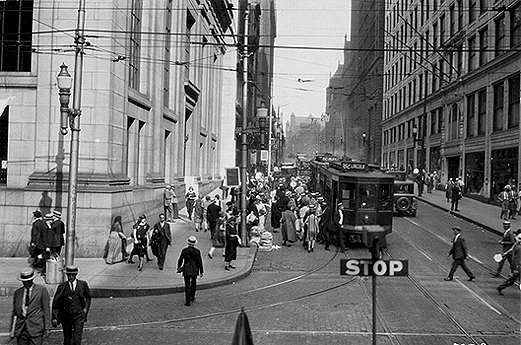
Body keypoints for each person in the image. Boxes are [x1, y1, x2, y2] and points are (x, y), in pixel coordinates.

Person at [10, 267, 51, 344]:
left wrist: (47, 328)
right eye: (24, 282)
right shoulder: (17, 293)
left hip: (36, 329)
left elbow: (46, 310)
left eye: (28, 281)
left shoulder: (41, 290)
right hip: (21, 329)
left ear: (32, 280)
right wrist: (12, 329)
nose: (26, 283)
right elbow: (15, 313)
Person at [51, 265, 91, 345]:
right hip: (66, 316)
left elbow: (88, 297)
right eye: (69, 275)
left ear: (76, 275)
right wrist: (55, 317)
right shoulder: (62, 287)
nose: (71, 277)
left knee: (77, 339)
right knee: (67, 339)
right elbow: (56, 303)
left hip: (79, 315)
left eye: (73, 275)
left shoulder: (82, 285)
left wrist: (85, 309)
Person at [177, 236, 204, 306]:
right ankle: (192, 296)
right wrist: (201, 271)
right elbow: (199, 262)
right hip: (195, 269)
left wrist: (179, 267)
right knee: (194, 283)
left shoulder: (184, 250)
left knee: (187, 285)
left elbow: (180, 260)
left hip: (187, 269)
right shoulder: (197, 251)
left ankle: (187, 300)